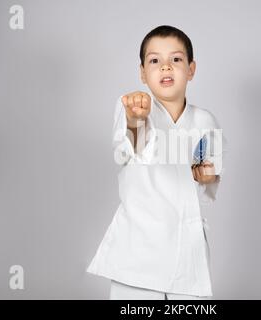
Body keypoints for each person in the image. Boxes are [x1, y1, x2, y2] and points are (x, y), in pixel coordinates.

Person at [86, 25, 227, 300]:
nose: (165, 67)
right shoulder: (132, 106)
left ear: (191, 69)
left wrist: (208, 176)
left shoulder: (205, 121)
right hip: (138, 250)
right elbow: (134, 149)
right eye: (154, 61)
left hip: (187, 251)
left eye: (175, 59)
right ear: (142, 72)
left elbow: (209, 180)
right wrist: (136, 119)